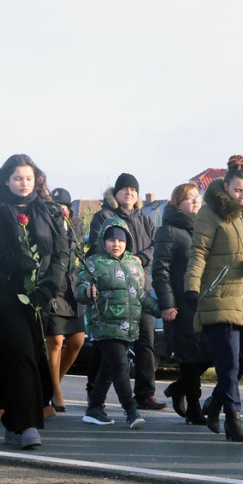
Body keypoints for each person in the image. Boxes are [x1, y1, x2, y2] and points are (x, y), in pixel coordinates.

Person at [0, 155, 69, 449]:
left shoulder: (51, 212)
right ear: (6, 180)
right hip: (4, 295)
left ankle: (13, 421)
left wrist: (50, 287)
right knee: (21, 355)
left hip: (40, 296)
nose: (23, 184)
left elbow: (63, 255)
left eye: (28, 178)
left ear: (36, 180)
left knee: (30, 359)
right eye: (17, 178)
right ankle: (28, 425)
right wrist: (10, 262)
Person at [184, 159, 243, 442]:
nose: (242, 196)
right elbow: (198, 252)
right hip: (218, 296)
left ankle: (216, 402)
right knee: (228, 362)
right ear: (226, 187)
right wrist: (191, 287)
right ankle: (233, 418)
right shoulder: (211, 213)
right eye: (237, 190)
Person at [89, 173, 165, 410]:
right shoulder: (103, 216)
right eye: (124, 189)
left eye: (133, 189)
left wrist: (139, 259)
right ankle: (95, 394)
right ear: (116, 193)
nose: (129, 193)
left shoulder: (146, 220)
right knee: (108, 346)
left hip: (140, 288)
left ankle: (145, 394)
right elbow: (96, 247)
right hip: (111, 289)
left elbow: (155, 247)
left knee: (145, 341)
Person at [77, 218, 160, 428]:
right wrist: (87, 292)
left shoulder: (134, 264)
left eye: (121, 240)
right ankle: (131, 411)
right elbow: (80, 289)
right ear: (103, 241)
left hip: (128, 326)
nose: (116, 244)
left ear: (127, 242)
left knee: (108, 368)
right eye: (111, 239)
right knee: (121, 366)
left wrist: (163, 310)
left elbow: (141, 295)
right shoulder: (93, 263)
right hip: (104, 324)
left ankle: (94, 408)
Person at [152, 181, 209, 424]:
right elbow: (160, 270)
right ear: (178, 203)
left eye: (198, 197)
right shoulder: (168, 230)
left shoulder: (204, 228)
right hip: (181, 303)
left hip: (204, 301)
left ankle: (178, 389)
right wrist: (167, 303)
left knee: (210, 353)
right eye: (189, 198)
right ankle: (194, 407)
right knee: (190, 356)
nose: (195, 201)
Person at [45, 188, 86, 414]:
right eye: (56, 205)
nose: (60, 210)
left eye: (64, 206)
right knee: (55, 342)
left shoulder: (75, 231)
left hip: (72, 291)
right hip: (53, 290)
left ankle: (53, 384)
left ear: (69, 210)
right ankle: (56, 392)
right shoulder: (45, 228)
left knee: (77, 341)